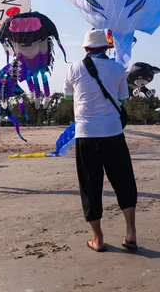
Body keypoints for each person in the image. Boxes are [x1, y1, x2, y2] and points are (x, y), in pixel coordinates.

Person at [64, 29, 137, 253]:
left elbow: (68, 96)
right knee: (123, 181)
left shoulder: (74, 68)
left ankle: (98, 239)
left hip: (86, 135)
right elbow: (123, 99)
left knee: (90, 186)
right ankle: (131, 233)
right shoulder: (117, 68)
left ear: (85, 48)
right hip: (113, 133)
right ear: (107, 48)